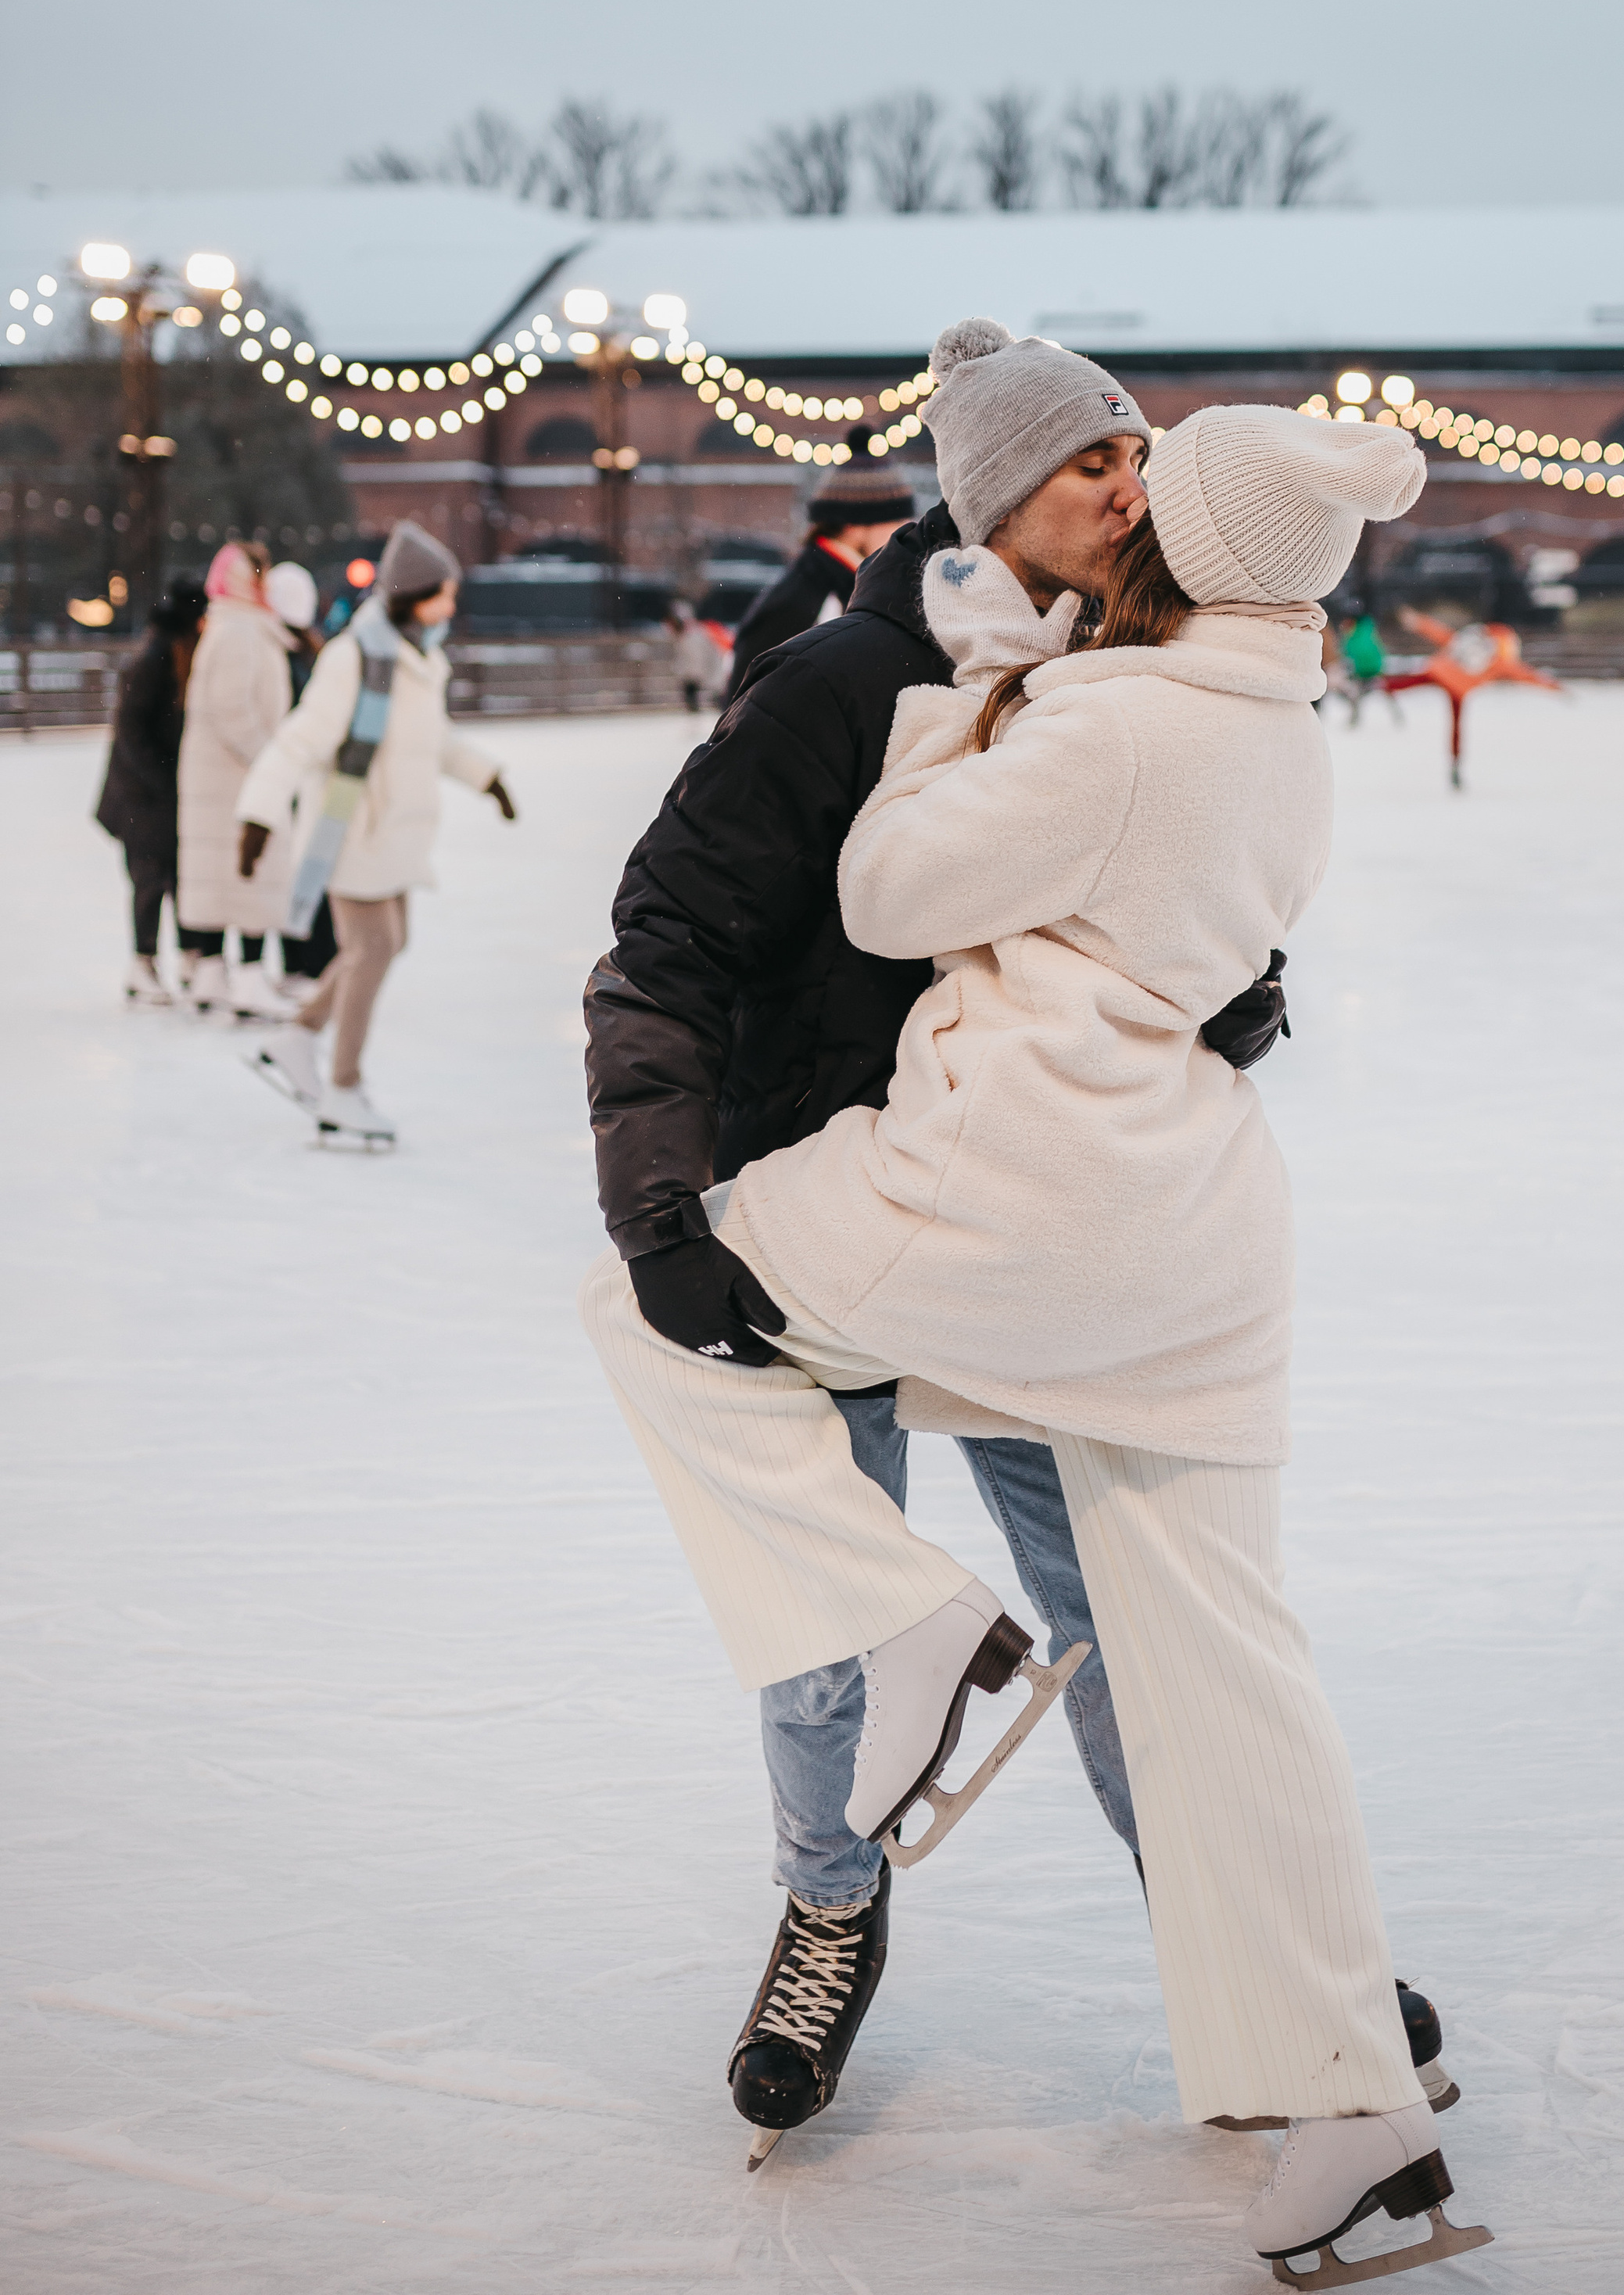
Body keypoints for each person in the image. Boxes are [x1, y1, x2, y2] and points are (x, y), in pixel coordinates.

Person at [580, 396, 1486, 2281]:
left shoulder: (1097, 688)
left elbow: (926, 890)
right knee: (1153, 1644)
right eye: (1090, 458)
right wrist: (666, 1190)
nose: (1122, 484)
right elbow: (665, 935)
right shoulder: (847, 672)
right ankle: (857, 1915)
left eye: (1142, 466)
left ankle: (1259, 1987)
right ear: (998, 497)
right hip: (1030, 1204)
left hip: (982, 1206)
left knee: (1132, 1645)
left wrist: (1030, 762)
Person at [234, 521, 514, 1146]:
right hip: (352, 828)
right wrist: (259, 812)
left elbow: (430, 741)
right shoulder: (356, 658)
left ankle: (299, 1036)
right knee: (373, 948)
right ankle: (342, 1087)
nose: (451, 604)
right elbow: (302, 739)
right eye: (444, 592)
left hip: (394, 831)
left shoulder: (419, 659)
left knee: (388, 941)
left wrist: (485, 776)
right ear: (413, 595)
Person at [175, 541, 298, 1017]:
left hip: (221, 779)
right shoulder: (241, 631)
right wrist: (271, 761)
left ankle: (212, 971)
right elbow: (232, 710)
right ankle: (247, 976)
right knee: (250, 872)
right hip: (239, 780)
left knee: (223, 873)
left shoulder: (228, 626)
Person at [722, 439, 917, 701]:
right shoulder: (803, 598)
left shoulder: (853, 584)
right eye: (896, 519)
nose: (906, 529)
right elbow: (747, 710)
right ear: (855, 524)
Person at [95, 576, 207, 1004]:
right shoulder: (153, 659)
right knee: (149, 878)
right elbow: (131, 732)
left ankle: (189, 956)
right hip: (140, 795)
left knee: (180, 873)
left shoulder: (172, 652)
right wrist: (164, 778)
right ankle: (142, 963)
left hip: (159, 790)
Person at [265, 561, 338, 996]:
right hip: (300, 776)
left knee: (305, 871)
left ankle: (309, 961)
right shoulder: (308, 654)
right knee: (305, 872)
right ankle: (307, 961)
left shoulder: (304, 654)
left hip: (301, 776)